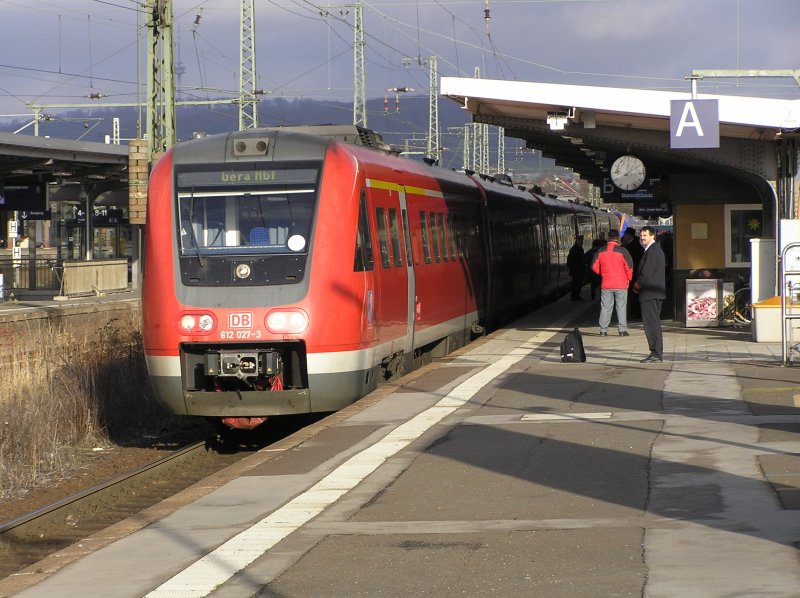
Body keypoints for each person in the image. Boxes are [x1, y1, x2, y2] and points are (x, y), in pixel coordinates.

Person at [633, 225, 666, 363]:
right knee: (654, 323)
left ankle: (656, 353)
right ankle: (656, 352)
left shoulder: (652, 251)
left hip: (650, 294)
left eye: (645, 235)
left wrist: (636, 285)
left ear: (653, 236)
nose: (642, 238)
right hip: (654, 293)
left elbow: (646, 274)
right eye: (641, 236)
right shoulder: (653, 250)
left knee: (651, 324)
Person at [591, 229, 633, 336]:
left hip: (606, 284)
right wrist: (628, 279)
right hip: (621, 284)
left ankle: (603, 330)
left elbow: (594, 266)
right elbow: (629, 267)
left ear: (608, 238)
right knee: (621, 306)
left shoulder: (601, 251)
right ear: (618, 238)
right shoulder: (623, 251)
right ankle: (622, 330)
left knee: (605, 307)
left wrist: (603, 273)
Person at [621, 227, 644, 318]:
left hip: (634, 274)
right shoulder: (634, 244)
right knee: (633, 293)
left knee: (633, 293)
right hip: (631, 274)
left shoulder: (634, 246)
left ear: (629, 236)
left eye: (625, 235)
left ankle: (634, 312)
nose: (624, 236)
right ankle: (634, 311)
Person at [567, 234, 585, 301]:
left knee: (578, 284)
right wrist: (573, 268)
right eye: (580, 240)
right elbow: (569, 261)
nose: (581, 241)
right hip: (576, 271)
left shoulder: (580, 248)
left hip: (579, 270)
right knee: (576, 284)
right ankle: (574, 296)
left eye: (582, 240)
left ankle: (576, 296)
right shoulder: (574, 249)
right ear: (577, 241)